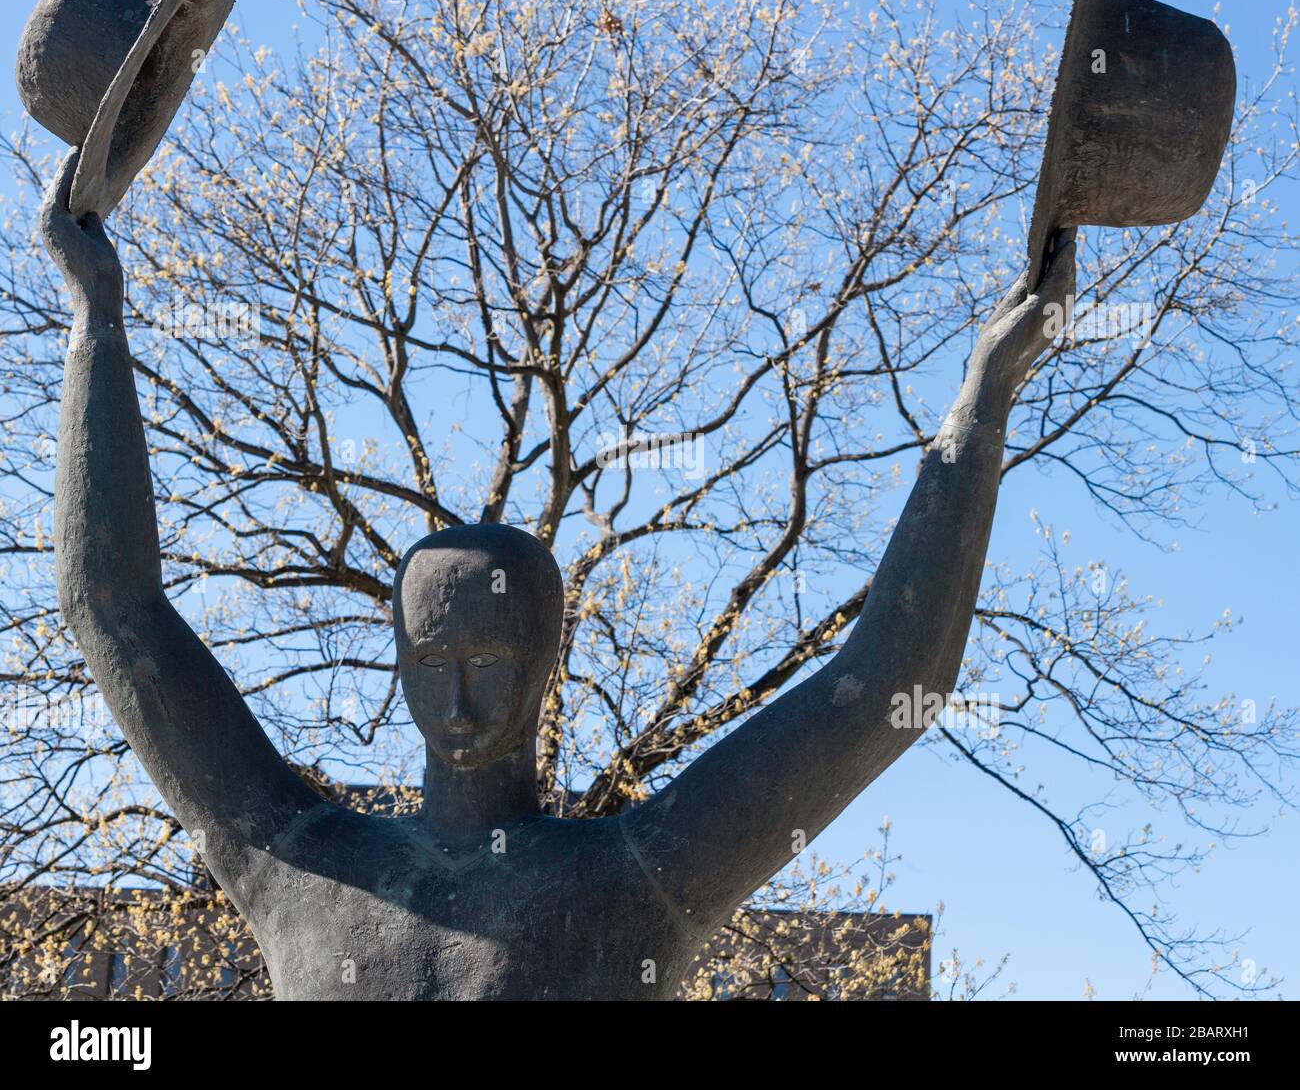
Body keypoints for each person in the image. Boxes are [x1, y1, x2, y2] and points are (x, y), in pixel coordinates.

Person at [45, 146, 1076, 1000]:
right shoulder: (298, 862)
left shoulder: (636, 878)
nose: (454, 694)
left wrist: (983, 399)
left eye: (488, 657)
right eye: (431, 657)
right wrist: (99, 318)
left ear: (546, 660)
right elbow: (115, 610)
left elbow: (890, 681)